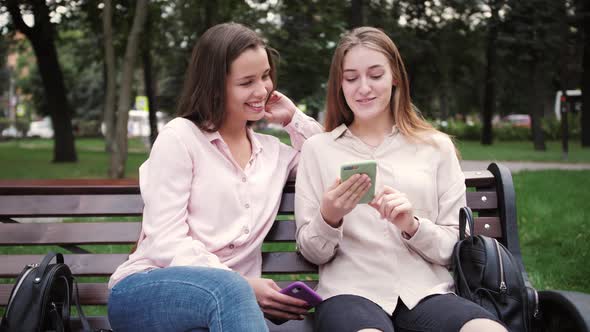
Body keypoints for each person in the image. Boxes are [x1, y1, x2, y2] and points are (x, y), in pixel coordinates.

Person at [107, 22, 323, 332]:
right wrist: (243, 284)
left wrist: (293, 119)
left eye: (265, 76)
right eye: (246, 81)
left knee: (230, 294)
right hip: (146, 290)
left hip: (228, 309)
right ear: (214, 86)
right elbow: (165, 242)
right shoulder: (180, 138)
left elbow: (329, 164)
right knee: (230, 290)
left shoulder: (275, 153)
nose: (262, 90)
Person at [294, 27, 508, 332]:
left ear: (395, 76)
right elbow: (312, 252)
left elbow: (452, 246)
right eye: (351, 78)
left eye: (375, 75)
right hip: (349, 293)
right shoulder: (318, 150)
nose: (363, 88)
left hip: (426, 292)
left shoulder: (436, 146)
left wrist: (412, 225)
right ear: (339, 84)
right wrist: (330, 217)